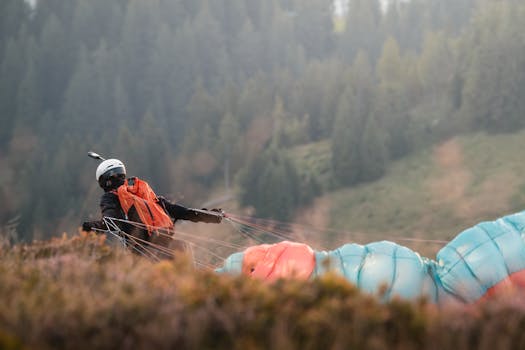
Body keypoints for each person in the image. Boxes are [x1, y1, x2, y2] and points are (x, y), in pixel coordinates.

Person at [82, 158, 223, 259]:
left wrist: (90, 227)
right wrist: (211, 216)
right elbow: (185, 213)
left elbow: (111, 222)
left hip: (143, 255)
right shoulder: (147, 198)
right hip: (172, 247)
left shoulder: (110, 198)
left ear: (103, 181)